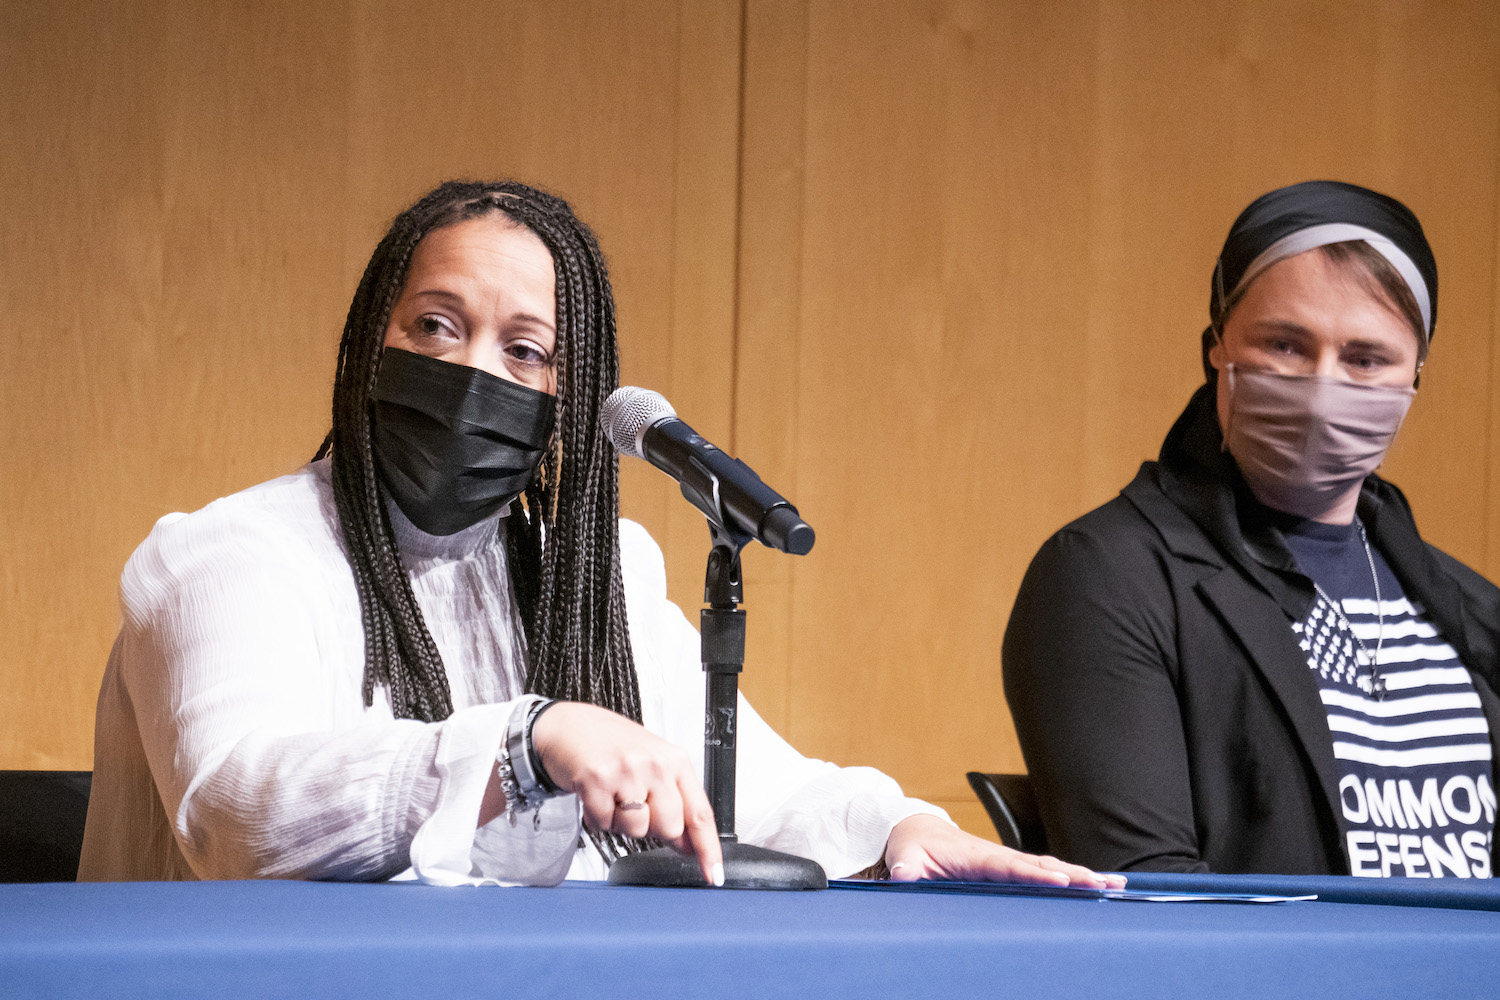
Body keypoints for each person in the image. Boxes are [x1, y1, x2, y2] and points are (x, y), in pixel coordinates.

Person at [80, 179, 1119, 889]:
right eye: (436, 325)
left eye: (526, 350)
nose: (477, 370)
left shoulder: (600, 573)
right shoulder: (229, 558)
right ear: (368, 343)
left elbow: (746, 784)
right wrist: (524, 740)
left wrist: (904, 830)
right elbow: (237, 809)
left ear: (568, 399)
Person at [1004, 180, 1499, 878]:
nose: (1324, 388)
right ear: (1218, 347)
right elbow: (1148, 887)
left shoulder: (1471, 607)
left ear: (1416, 373)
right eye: (1286, 346)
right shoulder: (1105, 576)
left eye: (1366, 359)